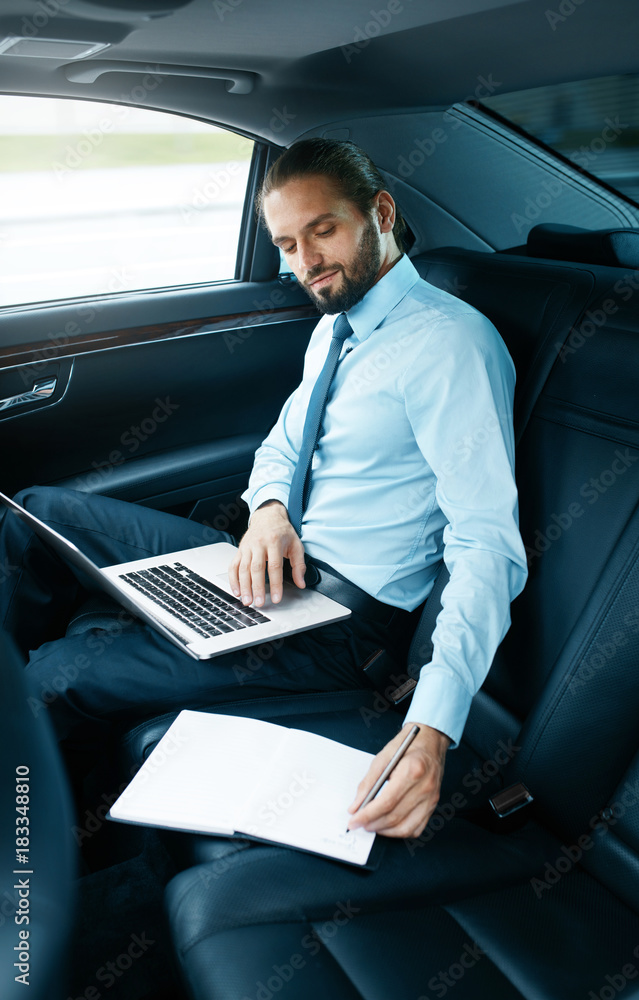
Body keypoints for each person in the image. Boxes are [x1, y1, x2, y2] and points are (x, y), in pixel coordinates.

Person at [0, 139, 527, 839]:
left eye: (323, 230)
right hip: (273, 568)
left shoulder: (450, 346)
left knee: (54, 679)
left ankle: (29, 873)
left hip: (339, 629)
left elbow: (487, 542)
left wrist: (431, 727)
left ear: (380, 211)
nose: (305, 262)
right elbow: (282, 444)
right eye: (286, 242)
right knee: (33, 514)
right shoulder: (336, 328)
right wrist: (270, 513)